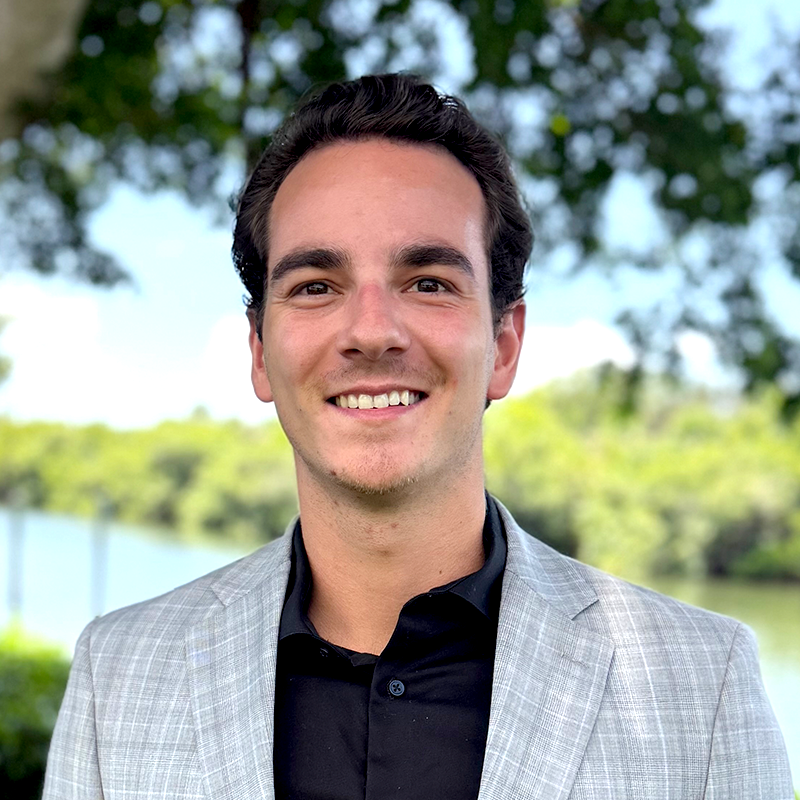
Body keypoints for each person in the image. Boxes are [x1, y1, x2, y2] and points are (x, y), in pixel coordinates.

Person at [44, 73, 793, 800]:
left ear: (503, 345)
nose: (371, 331)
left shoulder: (704, 684)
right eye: (315, 286)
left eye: (429, 281)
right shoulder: (118, 675)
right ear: (259, 351)